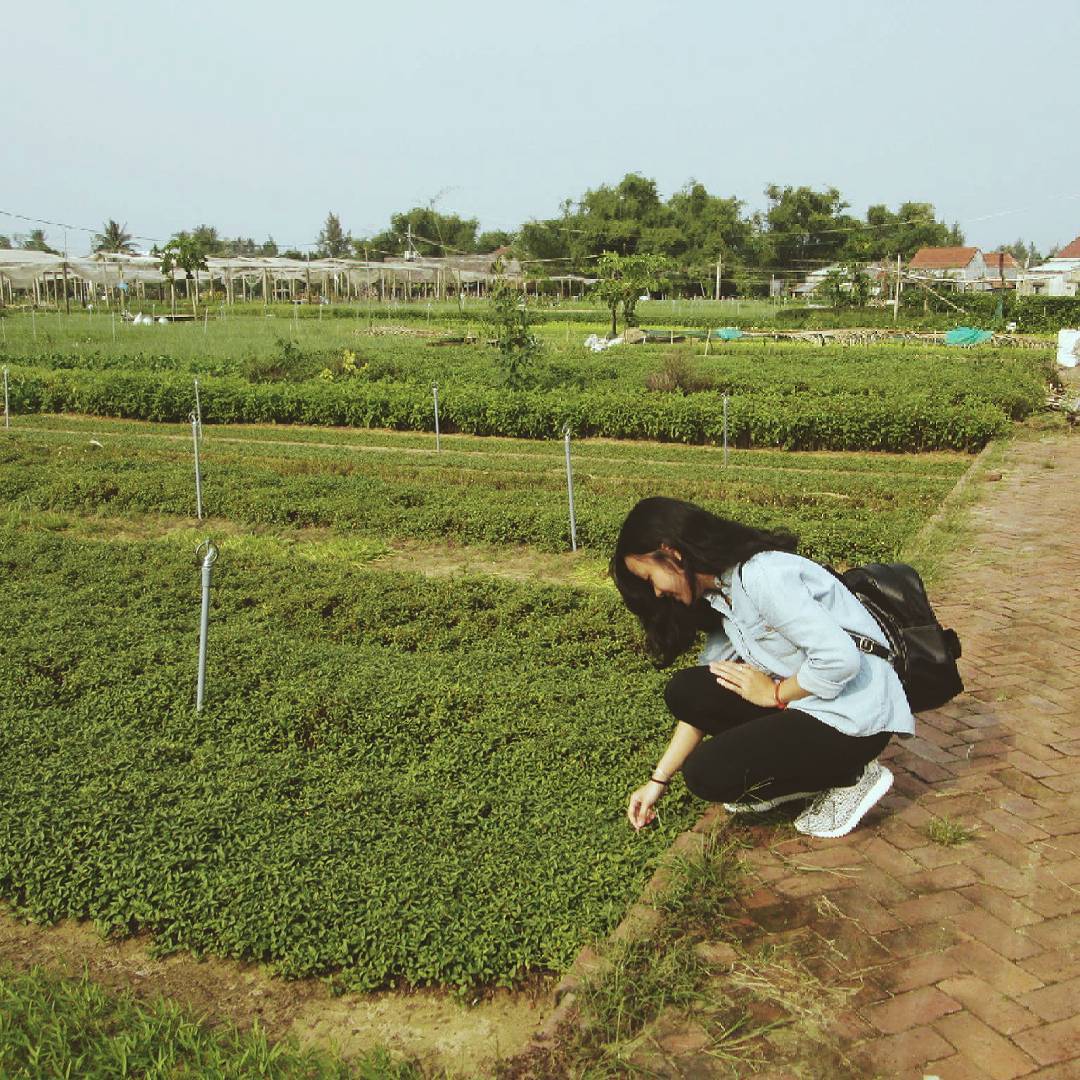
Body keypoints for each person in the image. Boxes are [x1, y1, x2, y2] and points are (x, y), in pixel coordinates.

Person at [611, 497, 914, 839]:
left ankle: (849, 775)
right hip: (813, 705)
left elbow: (840, 659)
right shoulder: (722, 595)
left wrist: (774, 692)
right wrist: (658, 781)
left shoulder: (762, 575)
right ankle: (801, 778)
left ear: (671, 553)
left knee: (705, 773)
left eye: (649, 576)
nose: (656, 590)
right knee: (687, 690)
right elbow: (704, 697)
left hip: (856, 716)